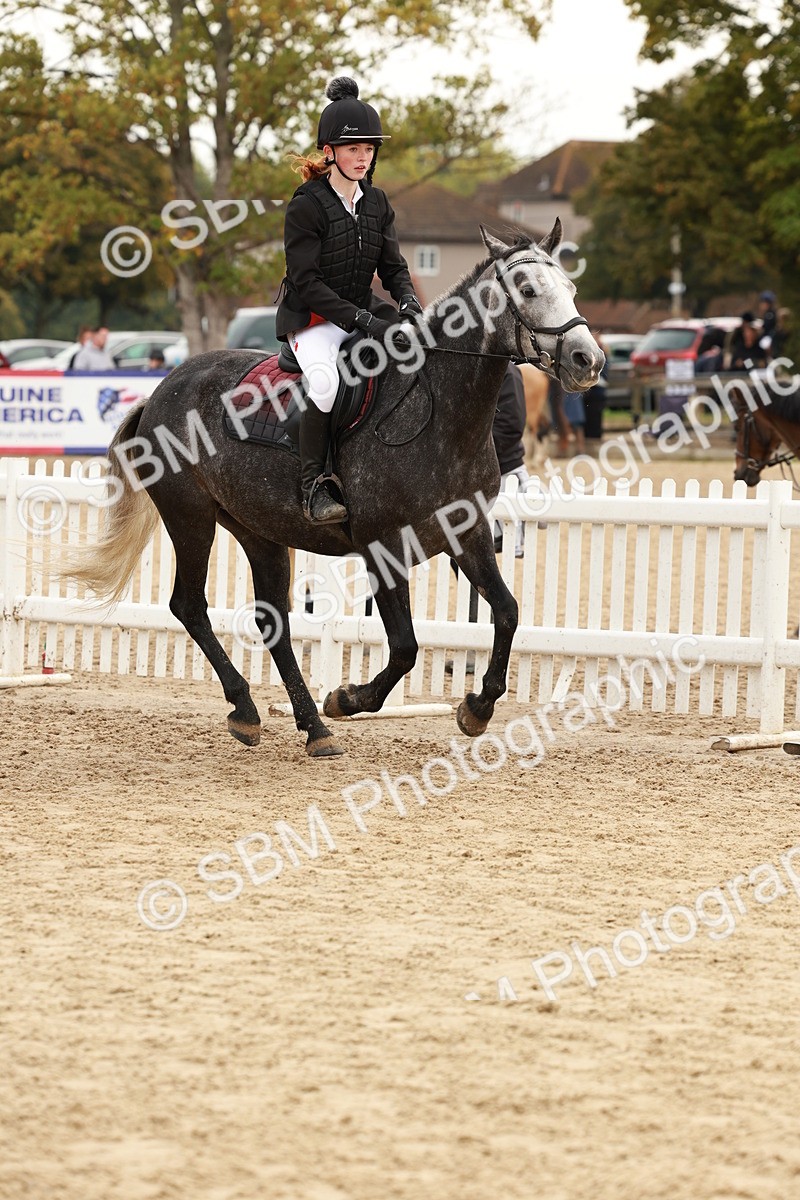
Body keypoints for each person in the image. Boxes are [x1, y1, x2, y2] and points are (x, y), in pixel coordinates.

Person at [275, 76, 422, 524]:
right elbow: (307, 281)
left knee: (420, 354)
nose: (363, 158)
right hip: (313, 318)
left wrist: (409, 302)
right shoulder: (306, 205)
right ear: (330, 152)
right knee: (326, 384)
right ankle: (313, 487)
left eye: (369, 150)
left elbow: (393, 267)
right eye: (354, 149)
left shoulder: (377, 203)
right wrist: (362, 319)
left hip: (362, 310)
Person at [491, 363, 529, 557]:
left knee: (507, 555)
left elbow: (511, 425)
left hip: (505, 471)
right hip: (471, 473)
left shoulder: (508, 372)